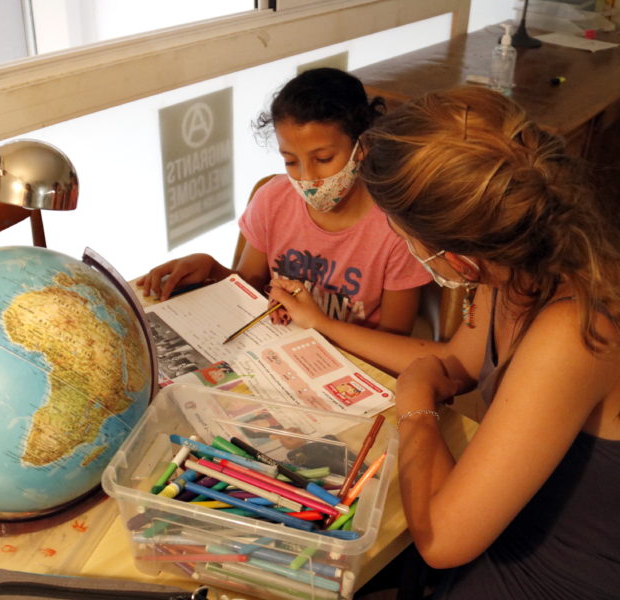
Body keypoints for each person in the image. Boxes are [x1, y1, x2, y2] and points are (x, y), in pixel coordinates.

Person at [269, 86, 620, 599]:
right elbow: (455, 361)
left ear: (454, 257)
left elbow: (441, 539)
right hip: (510, 524)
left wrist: (413, 400)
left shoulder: (575, 330)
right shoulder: (515, 264)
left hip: (552, 573)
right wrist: (320, 324)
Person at [137, 68, 431, 334]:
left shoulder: (397, 228)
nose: (308, 178)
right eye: (290, 161)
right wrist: (212, 269)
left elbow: (395, 337)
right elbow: (249, 288)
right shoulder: (274, 200)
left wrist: (321, 324)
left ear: (362, 145)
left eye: (324, 159)